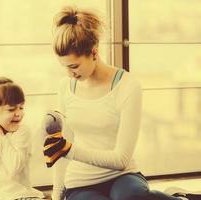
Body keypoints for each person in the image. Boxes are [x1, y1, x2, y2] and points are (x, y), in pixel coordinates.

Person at [42, 6, 200, 200]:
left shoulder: (128, 86)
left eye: (74, 66)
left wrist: (69, 150)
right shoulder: (65, 87)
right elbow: (59, 149)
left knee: (130, 196)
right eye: (64, 67)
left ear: (94, 51)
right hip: (80, 182)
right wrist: (57, 195)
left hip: (122, 175)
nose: (69, 74)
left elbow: (121, 158)